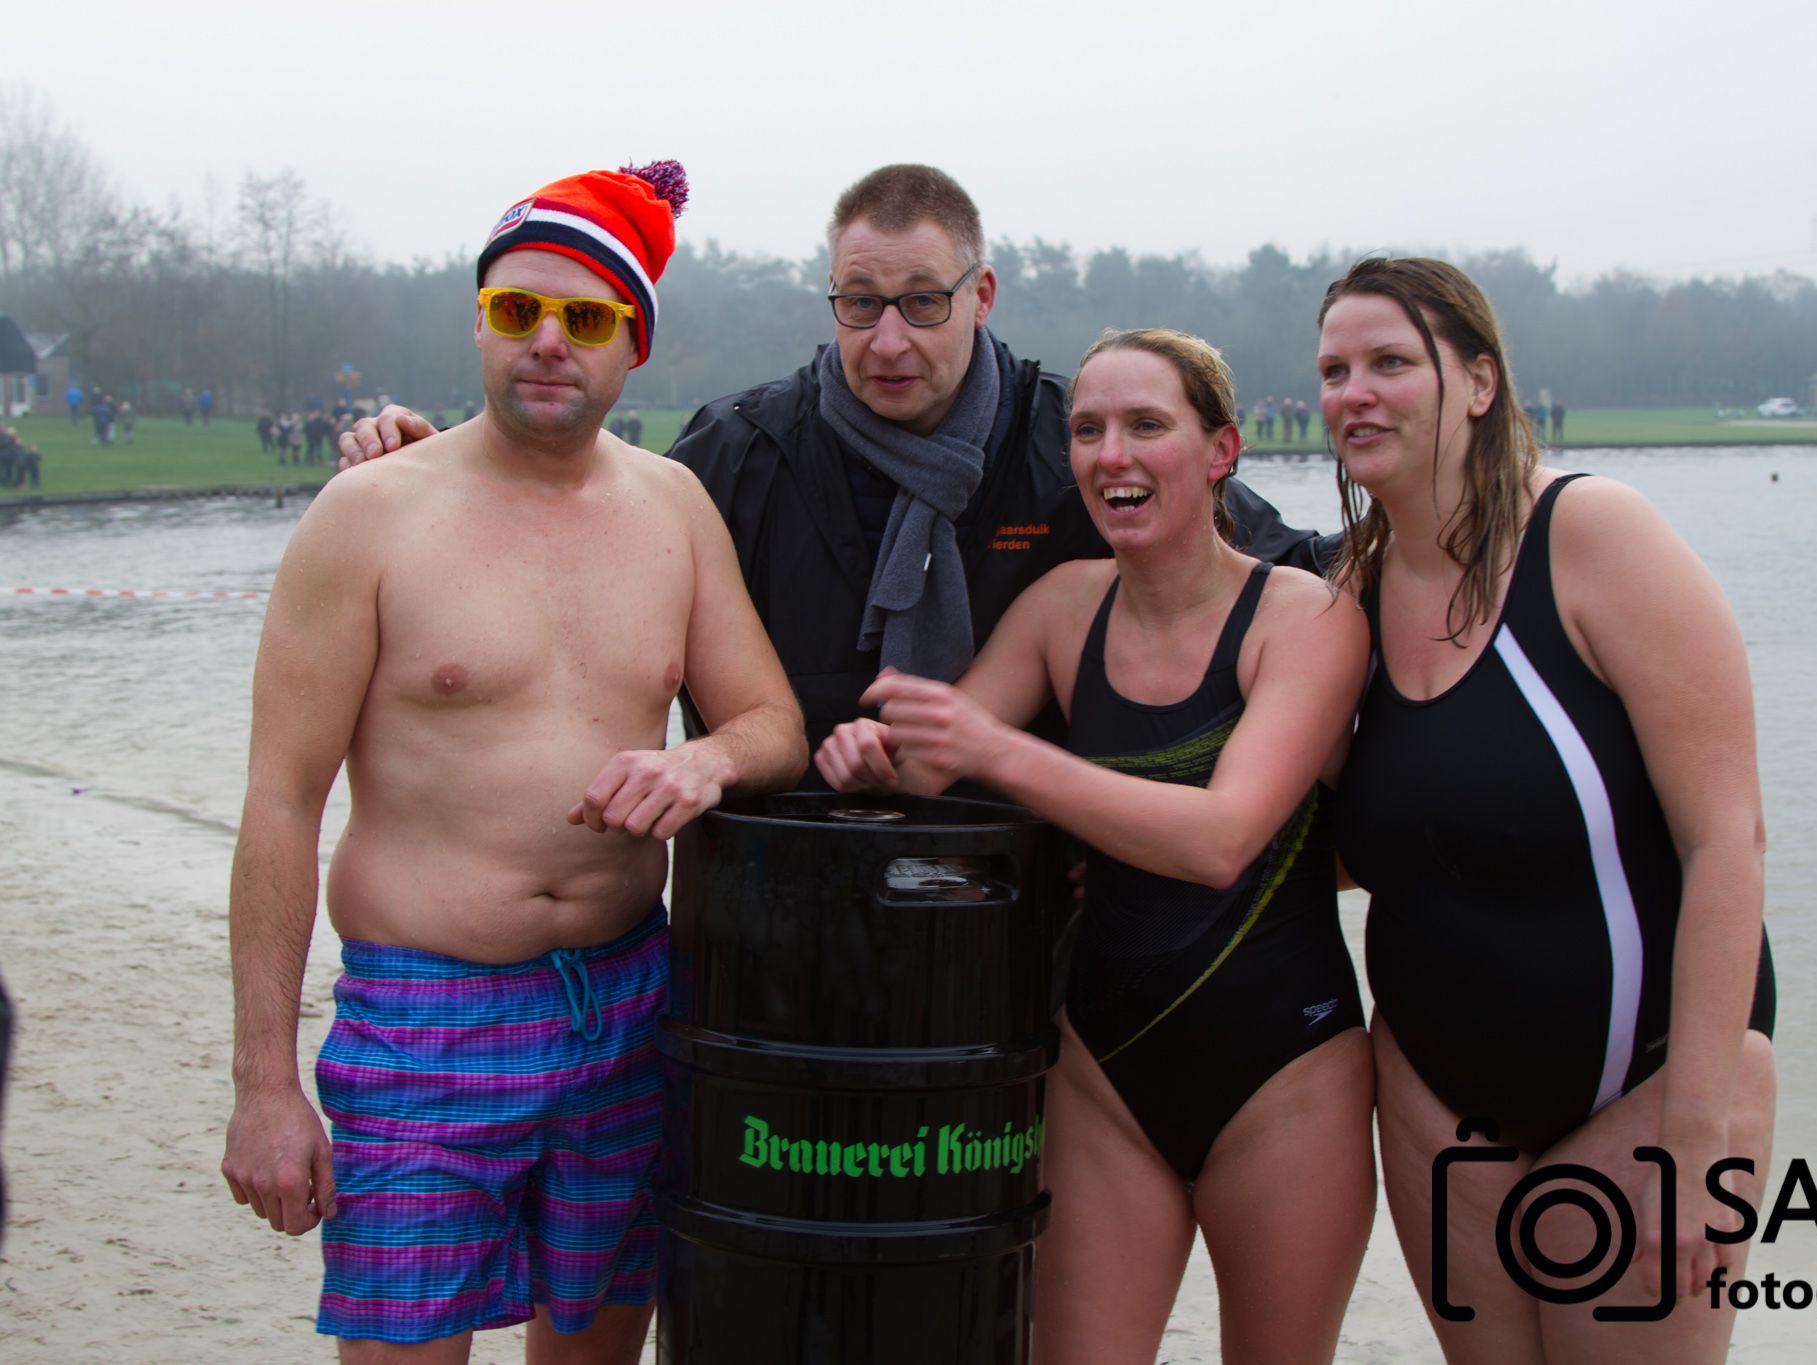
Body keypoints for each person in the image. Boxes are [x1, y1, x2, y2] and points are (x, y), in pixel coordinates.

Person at [220, 162, 806, 1361]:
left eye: (584, 318)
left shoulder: (674, 508)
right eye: (515, 311)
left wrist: (705, 766)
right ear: (479, 324)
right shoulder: (370, 514)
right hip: (426, 1014)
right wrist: (265, 1088)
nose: (547, 340)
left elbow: (771, 726)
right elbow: (282, 803)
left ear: (631, 347)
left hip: (630, 1001)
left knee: (597, 1346)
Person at [339, 165, 1319, 773]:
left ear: (980, 295)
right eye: (859, 303)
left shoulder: (1078, 441)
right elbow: (575, 525)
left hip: (1028, 916)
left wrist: (1449, 546)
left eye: (921, 303)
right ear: (830, 301)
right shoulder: (735, 453)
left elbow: (1279, 573)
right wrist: (445, 470)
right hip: (775, 915)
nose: (887, 339)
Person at [816, 327, 1375, 1365]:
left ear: (1220, 452)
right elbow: (931, 762)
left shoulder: (1299, 617)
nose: (1109, 454)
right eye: (1086, 430)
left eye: (1145, 426)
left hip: (1285, 1075)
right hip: (1102, 1071)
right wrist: (870, 758)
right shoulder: (1062, 607)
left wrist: (995, 751)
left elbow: (1221, 841)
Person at [1316, 256, 1776, 1365]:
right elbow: (1350, 846)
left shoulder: (1591, 538)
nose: (1353, 392)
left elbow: (1726, 841)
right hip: (1433, 1097)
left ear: (1478, 383)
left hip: (1643, 1086)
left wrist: (1693, 1139)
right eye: (1333, 369)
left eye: (1389, 362)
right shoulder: (1345, 596)